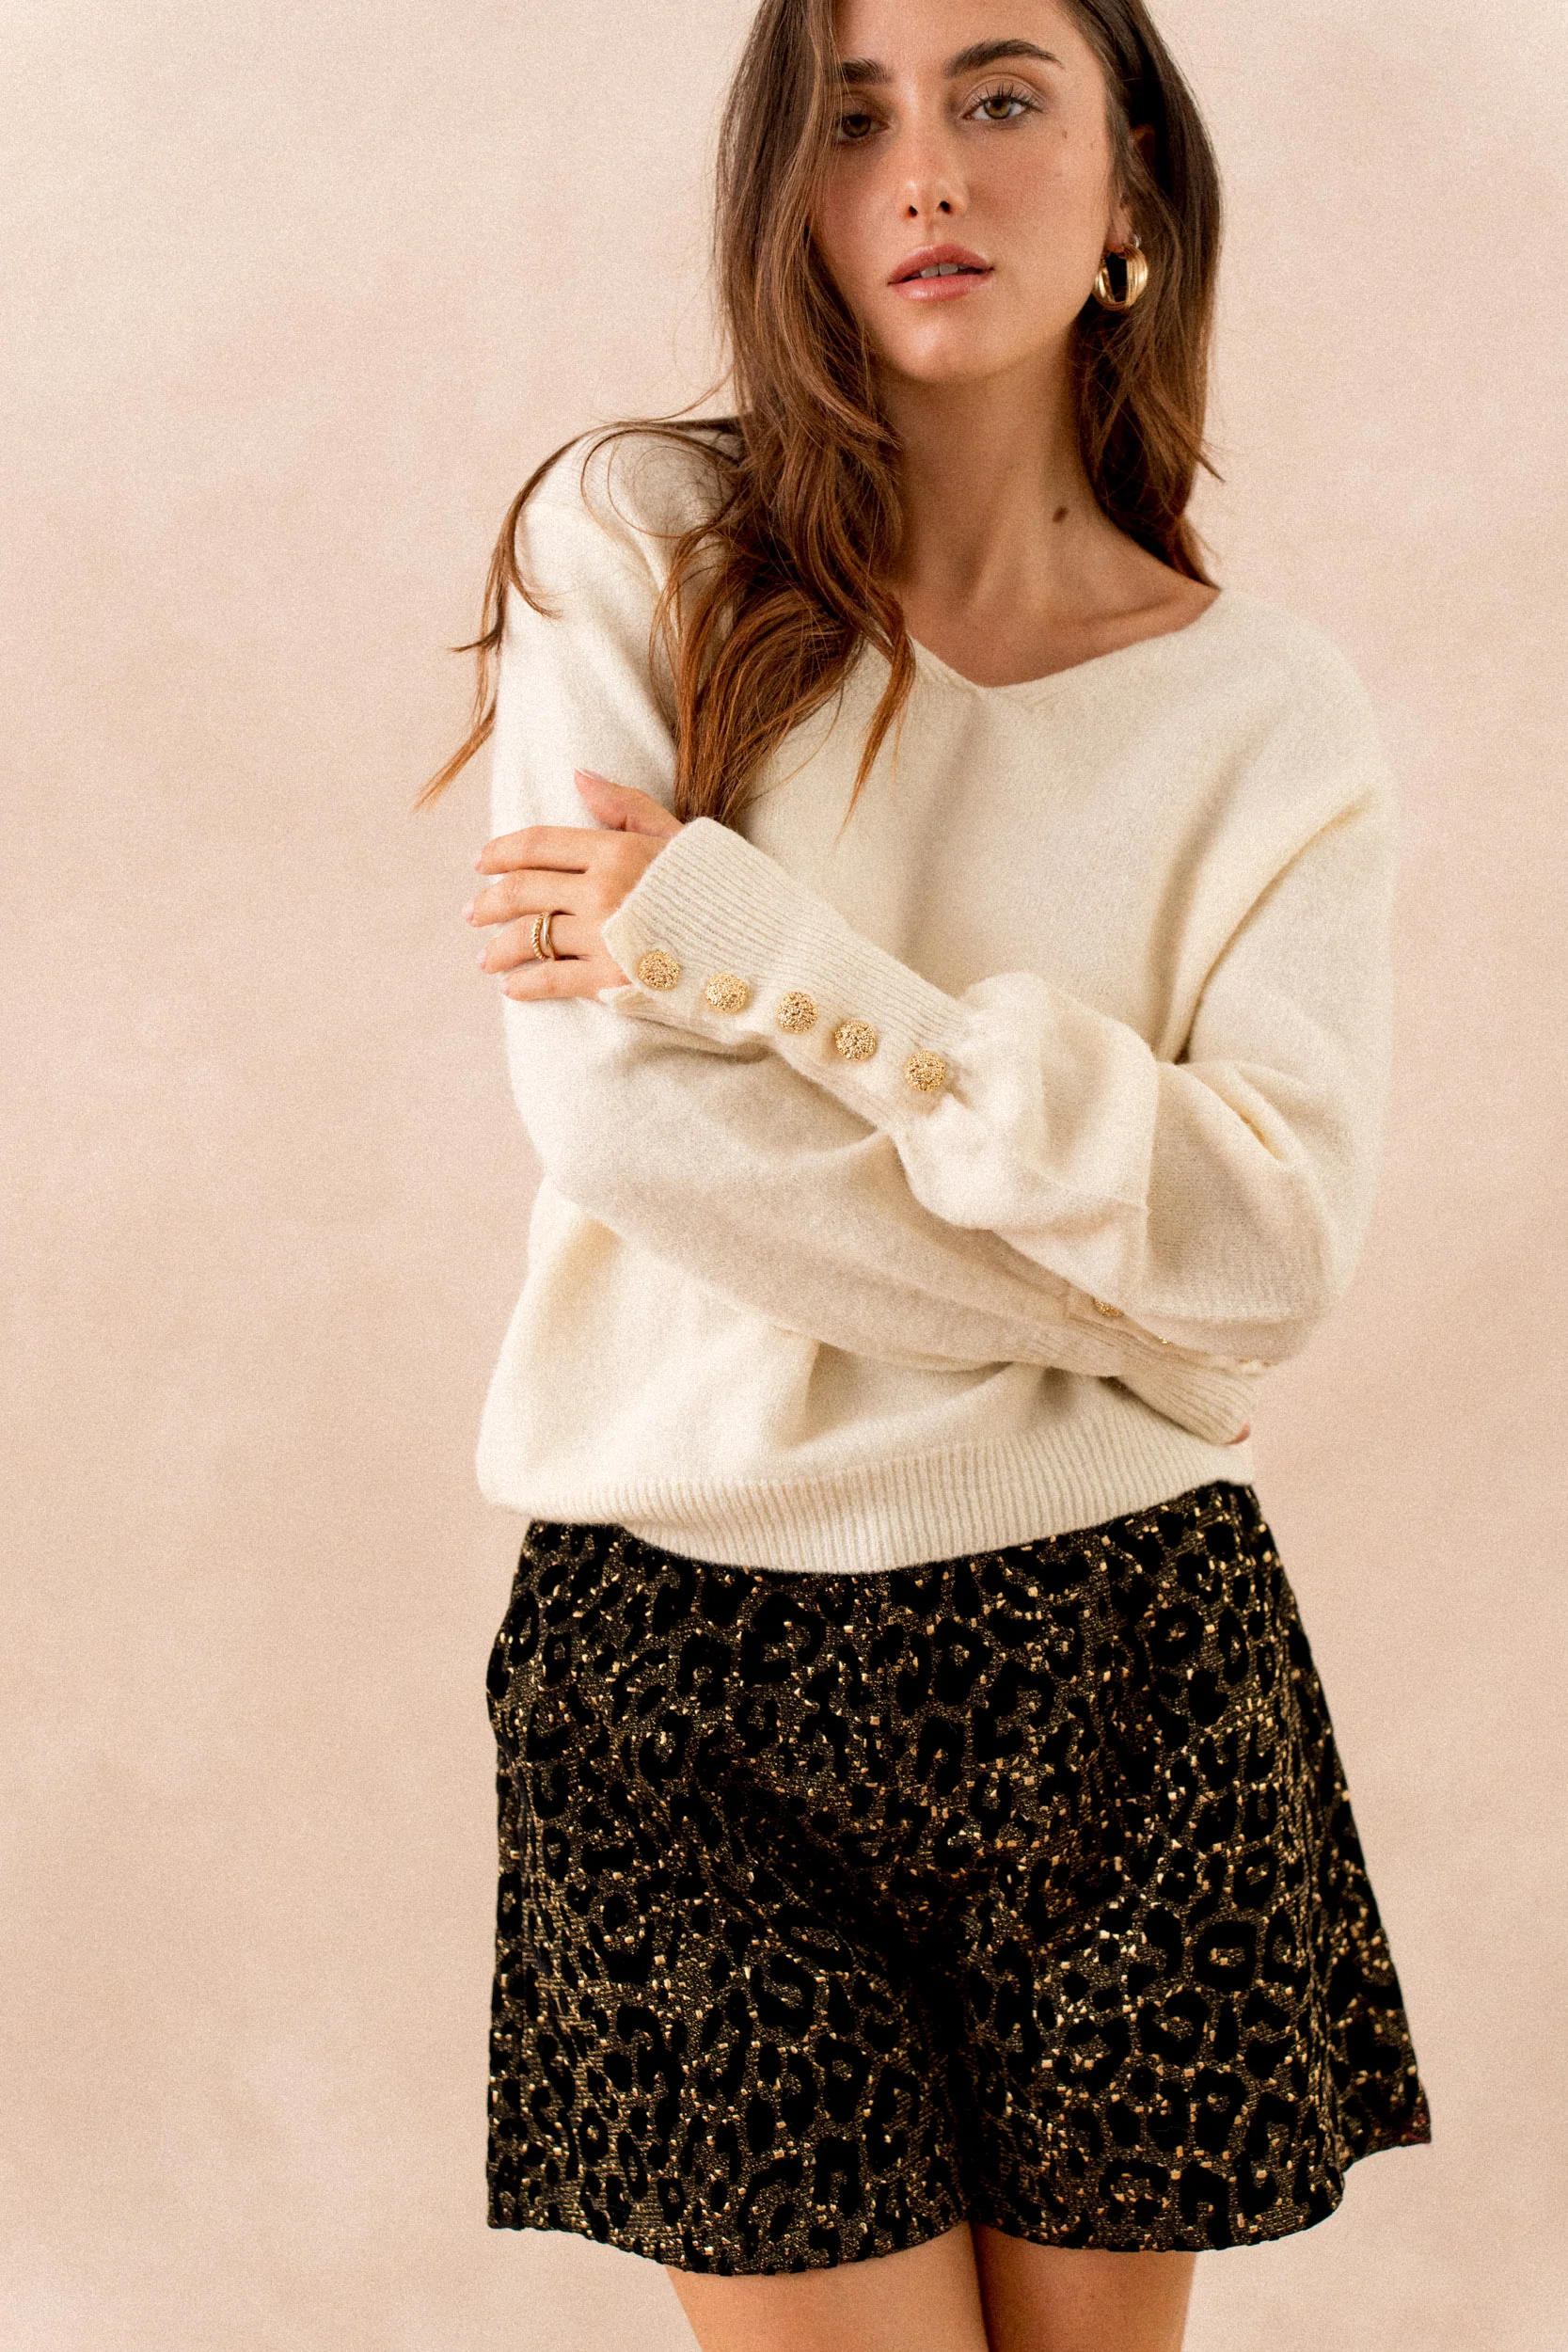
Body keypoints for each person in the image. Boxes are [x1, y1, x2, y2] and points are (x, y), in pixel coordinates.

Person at [431, 1, 1432, 2344]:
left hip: (1124, 1654)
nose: (924, 172)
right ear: (779, 190)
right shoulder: (635, 544)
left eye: (999, 96)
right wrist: (1141, 1313)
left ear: (1131, 184)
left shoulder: (1264, 714)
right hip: (675, 1657)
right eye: (848, 115)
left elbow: (1272, 1242)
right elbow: (630, 1125)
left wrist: (769, 955)